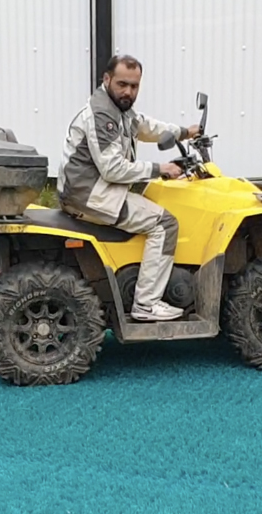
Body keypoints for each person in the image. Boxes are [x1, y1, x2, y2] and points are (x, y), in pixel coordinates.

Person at [57, 55, 199, 322]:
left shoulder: (119, 109)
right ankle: (147, 303)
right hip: (90, 194)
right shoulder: (103, 115)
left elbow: (144, 126)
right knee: (165, 223)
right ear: (107, 79)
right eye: (122, 84)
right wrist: (160, 168)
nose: (128, 92)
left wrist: (185, 132)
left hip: (93, 189)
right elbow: (112, 169)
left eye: (134, 86)